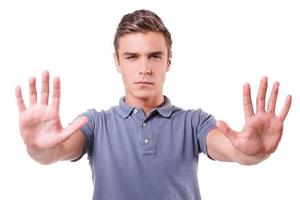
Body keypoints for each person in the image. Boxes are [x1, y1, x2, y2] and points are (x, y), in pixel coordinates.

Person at [15, 9, 292, 200]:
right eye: (132, 56)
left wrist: (255, 154)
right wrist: (39, 148)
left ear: (169, 60)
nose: (144, 68)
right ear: (117, 62)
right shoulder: (96, 124)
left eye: (155, 56)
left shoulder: (194, 122)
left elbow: (234, 151)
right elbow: (56, 152)